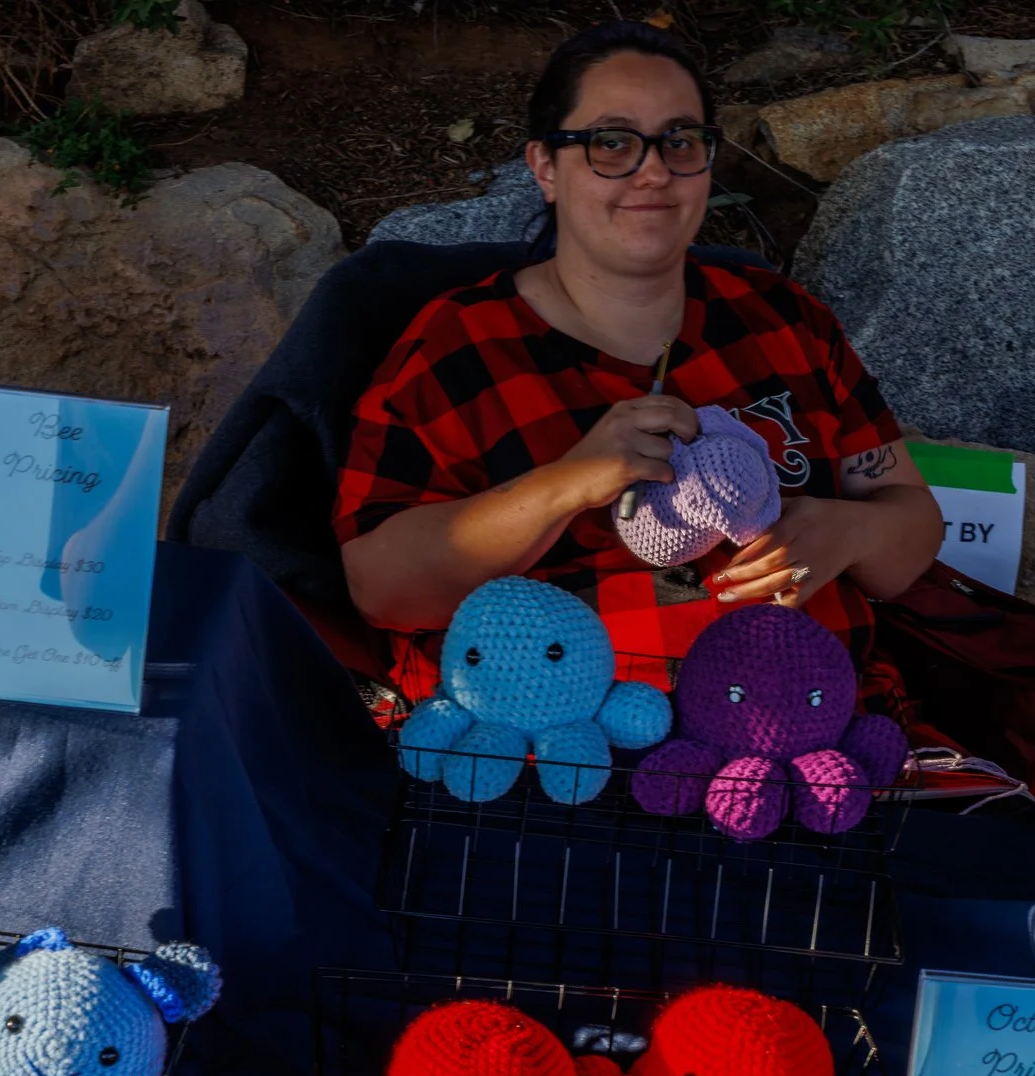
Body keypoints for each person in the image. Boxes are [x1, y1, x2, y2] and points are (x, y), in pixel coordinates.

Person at [334, 20, 943, 708]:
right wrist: (567, 484)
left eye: (680, 140)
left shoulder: (785, 320)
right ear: (544, 167)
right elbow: (381, 590)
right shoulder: (457, 349)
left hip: (812, 743)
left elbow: (912, 526)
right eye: (611, 142)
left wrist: (851, 531)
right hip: (572, 771)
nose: (653, 170)